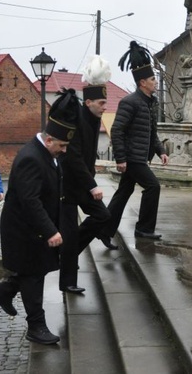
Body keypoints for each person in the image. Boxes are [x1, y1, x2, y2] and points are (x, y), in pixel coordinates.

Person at [0, 90, 79, 345]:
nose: (63, 151)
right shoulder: (31, 158)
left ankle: (4, 291)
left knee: (34, 271)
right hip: (24, 231)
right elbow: (30, 201)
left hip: (34, 229)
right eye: (62, 146)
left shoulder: (47, 154)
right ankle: (35, 327)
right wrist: (50, 230)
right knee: (33, 275)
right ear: (49, 139)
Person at [102, 41, 169, 243]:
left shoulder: (150, 102)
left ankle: (105, 230)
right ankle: (143, 229)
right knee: (153, 186)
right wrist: (121, 159)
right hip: (133, 158)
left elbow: (152, 132)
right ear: (142, 83)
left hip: (139, 156)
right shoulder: (129, 102)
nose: (155, 82)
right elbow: (117, 130)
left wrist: (161, 151)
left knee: (123, 192)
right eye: (152, 79)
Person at [59, 56, 113, 294]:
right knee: (70, 234)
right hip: (69, 186)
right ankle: (68, 277)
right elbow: (73, 157)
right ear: (88, 101)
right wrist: (92, 186)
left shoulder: (93, 118)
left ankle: (66, 254)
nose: (105, 107)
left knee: (102, 216)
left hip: (82, 183)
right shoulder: (78, 118)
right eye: (101, 103)